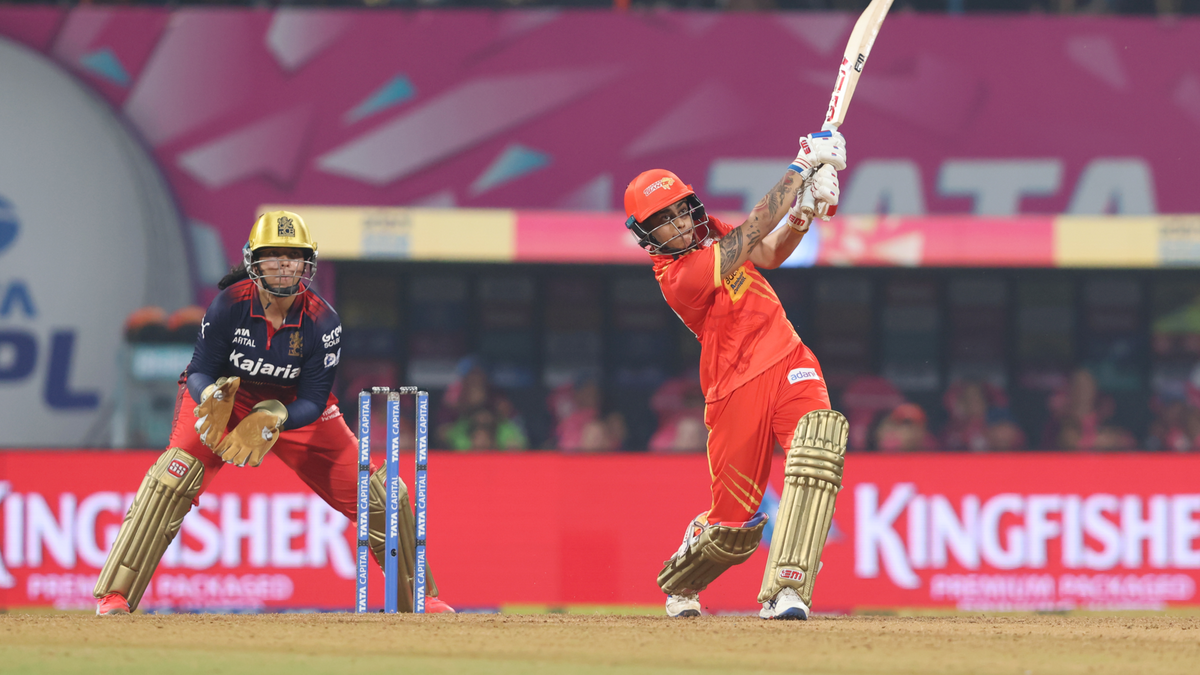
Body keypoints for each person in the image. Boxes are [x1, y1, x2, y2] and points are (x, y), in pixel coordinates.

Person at [93, 211, 454, 615]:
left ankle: (419, 599)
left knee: (380, 495)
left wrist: (277, 415)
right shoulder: (230, 304)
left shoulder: (323, 321)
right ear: (254, 260)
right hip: (226, 400)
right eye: (274, 255)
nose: (284, 265)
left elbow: (315, 400)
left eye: (293, 256)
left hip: (293, 408)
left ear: (306, 263)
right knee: (171, 478)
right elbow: (199, 371)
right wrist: (210, 395)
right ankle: (116, 595)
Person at [624, 131, 848, 620]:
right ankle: (685, 575)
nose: (679, 225)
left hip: (789, 357)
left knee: (817, 458)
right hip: (734, 387)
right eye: (663, 221)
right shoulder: (678, 277)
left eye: (681, 211)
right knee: (732, 528)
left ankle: (786, 588)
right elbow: (753, 231)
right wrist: (800, 170)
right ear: (647, 236)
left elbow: (768, 253)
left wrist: (804, 214)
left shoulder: (707, 231)